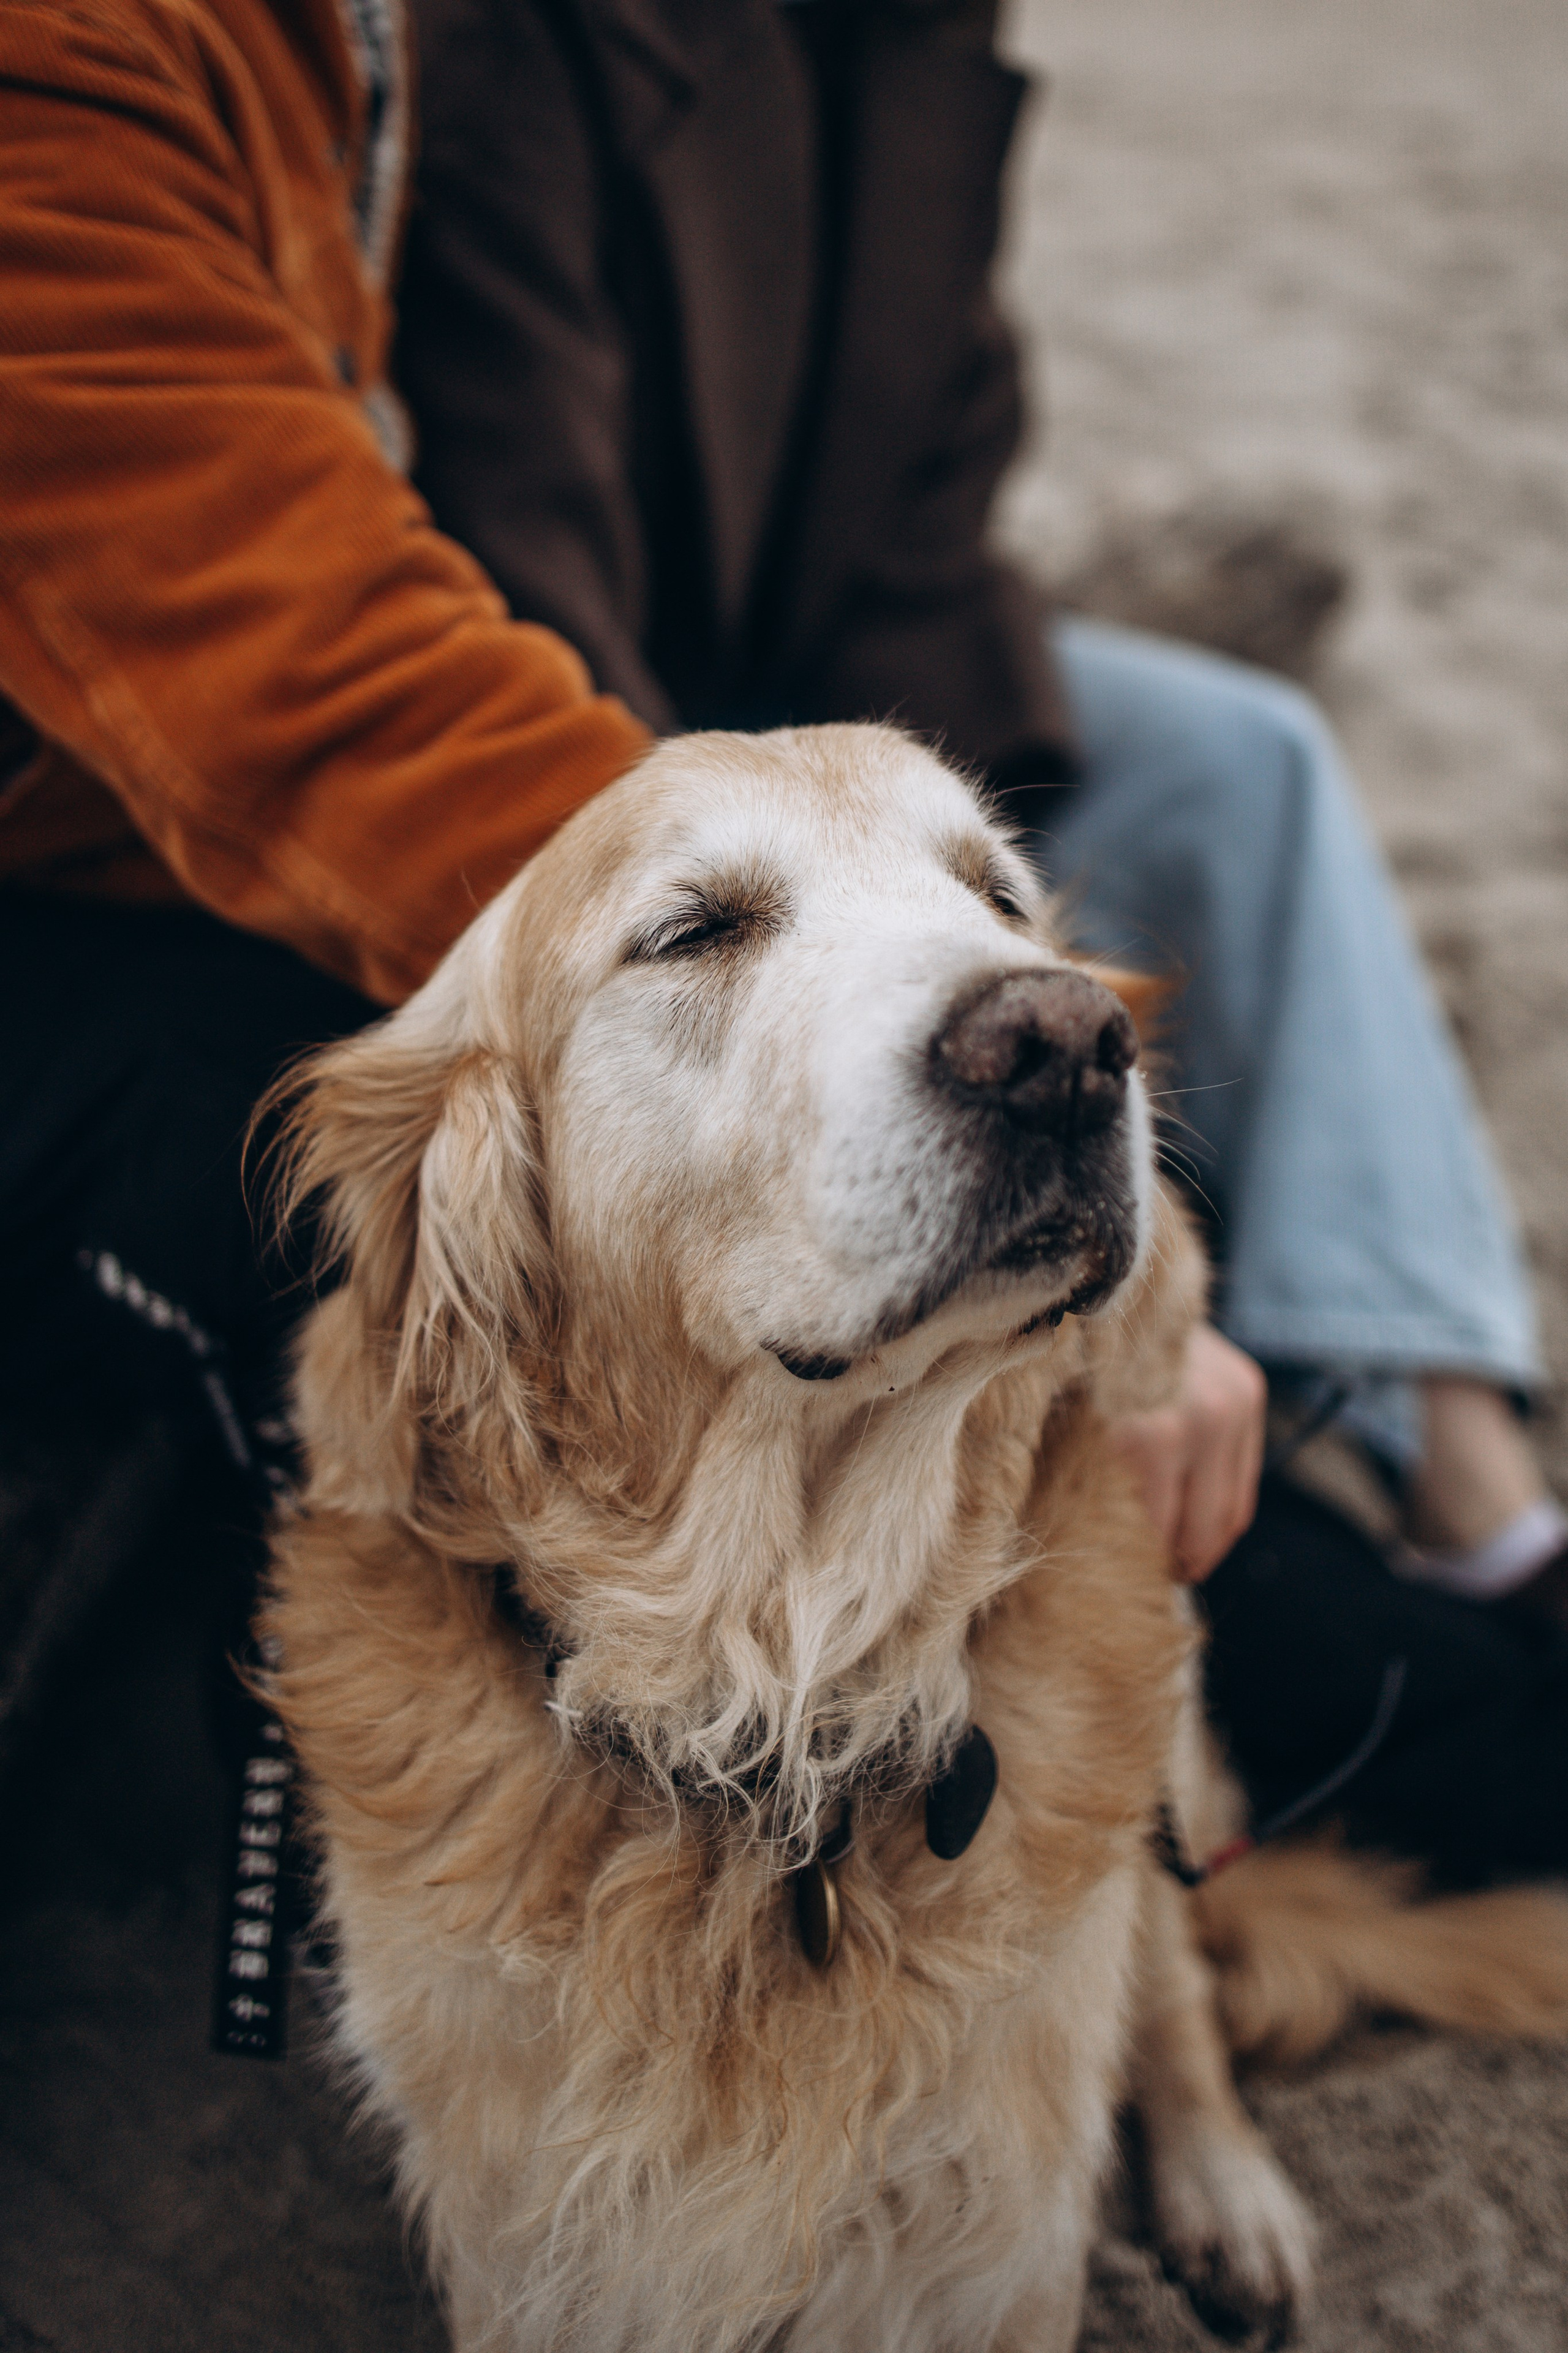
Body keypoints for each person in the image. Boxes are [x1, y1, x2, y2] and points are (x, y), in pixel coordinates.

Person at [0, 0, 1560, 1879]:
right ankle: (1361, 1702)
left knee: (1240, 765)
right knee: (395, 1129)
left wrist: (982, 965)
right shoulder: (237, 52)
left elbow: (924, 521)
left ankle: (1475, 1495)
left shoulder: (816, 50)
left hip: (700, 743)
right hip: (439, 792)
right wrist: (802, 961)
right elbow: (343, 652)